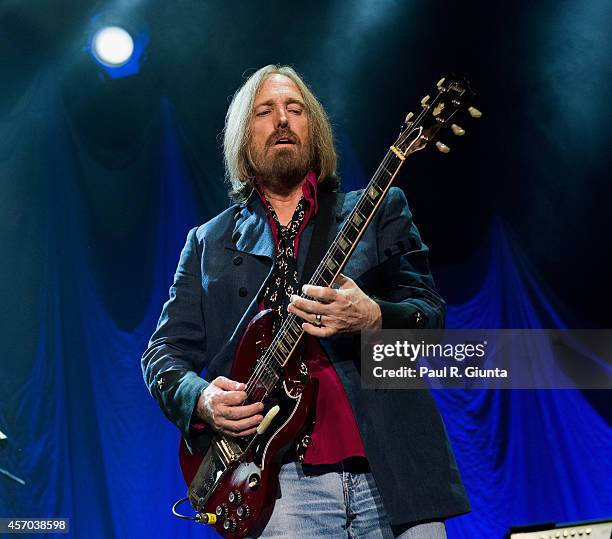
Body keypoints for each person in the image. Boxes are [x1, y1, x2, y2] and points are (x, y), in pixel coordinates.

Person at [141, 64, 470, 538]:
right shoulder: (207, 242)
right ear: (242, 137)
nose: (281, 120)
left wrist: (374, 315)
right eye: (265, 111)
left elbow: (431, 319)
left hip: (394, 468)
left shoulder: (377, 211)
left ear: (312, 130)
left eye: (294, 109)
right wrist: (204, 398)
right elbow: (163, 354)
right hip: (278, 483)